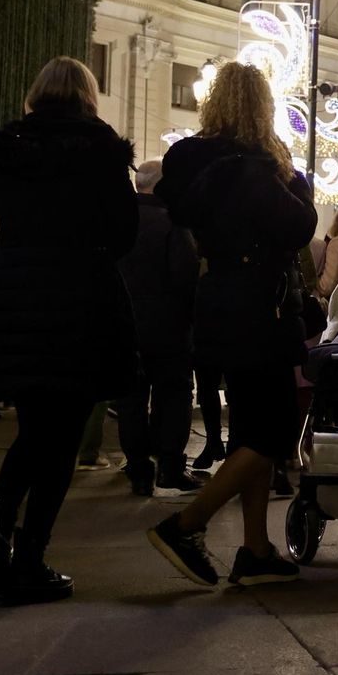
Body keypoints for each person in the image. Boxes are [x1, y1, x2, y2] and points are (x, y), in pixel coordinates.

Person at [144, 62, 317, 588]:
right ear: (262, 108)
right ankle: (187, 524)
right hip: (261, 303)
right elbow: (299, 226)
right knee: (278, 431)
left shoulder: (194, 165)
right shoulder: (254, 168)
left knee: (249, 430)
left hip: (218, 294)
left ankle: (255, 547)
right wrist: (293, 182)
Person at [0, 58, 138, 603]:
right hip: (79, 301)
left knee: (32, 429)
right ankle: (31, 556)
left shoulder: (12, 150)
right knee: (62, 437)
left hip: (19, 297)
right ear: (88, 96)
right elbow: (123, 231)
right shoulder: (103, 150)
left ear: (37, 93)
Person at [116, 159, 202, 497]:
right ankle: (169, 465)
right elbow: (185, 276)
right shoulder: (172, 222)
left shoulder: (120, 221)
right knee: (175, 394)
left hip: (126, 323)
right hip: (168, 325)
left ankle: (138, 469)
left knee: (131, 399)